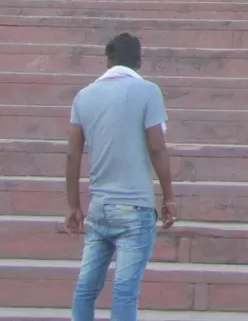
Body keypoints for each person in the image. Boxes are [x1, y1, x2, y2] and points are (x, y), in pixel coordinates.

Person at [66, 32, 176, 321]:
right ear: (139, 61)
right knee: (125, 291)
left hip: (99, 209)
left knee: (86, 288)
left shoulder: (84, 96)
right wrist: (169, 198)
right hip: (135, 208)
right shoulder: (148, 92)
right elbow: (157, 148)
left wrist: (73, 206)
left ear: (108, 59)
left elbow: (72, 155)